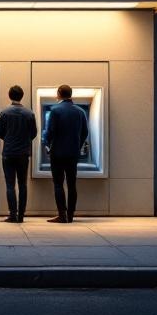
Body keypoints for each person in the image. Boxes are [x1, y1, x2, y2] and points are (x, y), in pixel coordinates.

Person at [43, 84, 89, 223]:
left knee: (58, 184)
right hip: (73, 154)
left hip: (57, 152)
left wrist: (47, 145)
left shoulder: (55, 110)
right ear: (71, 94)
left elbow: (50, 131)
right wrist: (77, 146)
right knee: (72, 184)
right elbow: (85, 132)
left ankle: (62, 215)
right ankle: (71, 215)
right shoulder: (81, 112)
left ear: (58, 93)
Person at [0, 85, 37, 223]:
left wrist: (10, 139)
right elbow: (34, 133)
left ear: (9, 95)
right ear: (22, 95)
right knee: (22, 184)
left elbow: (0, 133)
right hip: (23, 153)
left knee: (10, 184)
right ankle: (21, 216)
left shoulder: (4, 113)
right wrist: (24, 140)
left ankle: (12, 214)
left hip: (8, 152)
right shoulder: (29, 113)